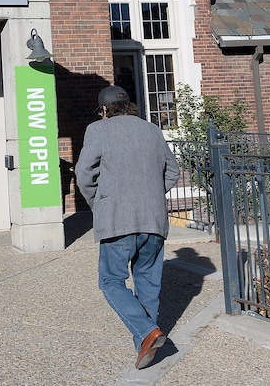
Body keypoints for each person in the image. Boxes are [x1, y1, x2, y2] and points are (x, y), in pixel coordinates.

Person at [75, 85, 180, 370]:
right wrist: (153, 196)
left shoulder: (98, 130)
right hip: (154, 220)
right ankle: (145, 346)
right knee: (148, 285)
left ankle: (148, 333)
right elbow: (173, 171)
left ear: (105, 110)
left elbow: (83, 173)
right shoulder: (152, 130)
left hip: (117, 220)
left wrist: (99, 203)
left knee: (110, 281)